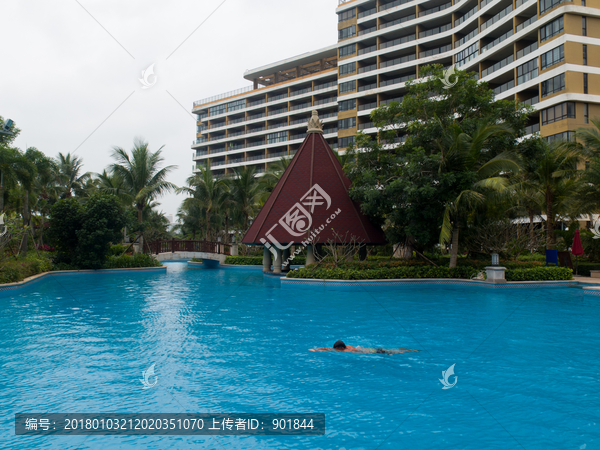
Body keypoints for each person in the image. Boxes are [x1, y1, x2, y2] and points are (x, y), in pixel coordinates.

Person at [309, 340, 418, 354]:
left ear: (341, 348)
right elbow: (331, 348)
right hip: (371, 349)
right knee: (390, 350)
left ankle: (409, 351)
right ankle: (406, 350)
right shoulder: (346, 345)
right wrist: (317, 349)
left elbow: (332, 351)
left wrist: (319, 351)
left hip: (372, 352)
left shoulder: (347, 350)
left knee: (392, 352)